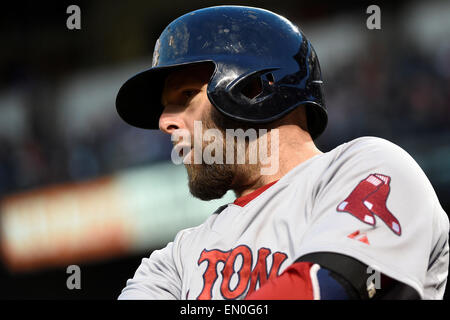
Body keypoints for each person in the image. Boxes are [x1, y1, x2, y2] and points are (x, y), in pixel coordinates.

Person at [115, 5, 449, 300]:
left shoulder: (368, 167)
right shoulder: (174, 259)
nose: (163, 122)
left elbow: (321, 288)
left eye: (186, 96)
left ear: (253, 89)